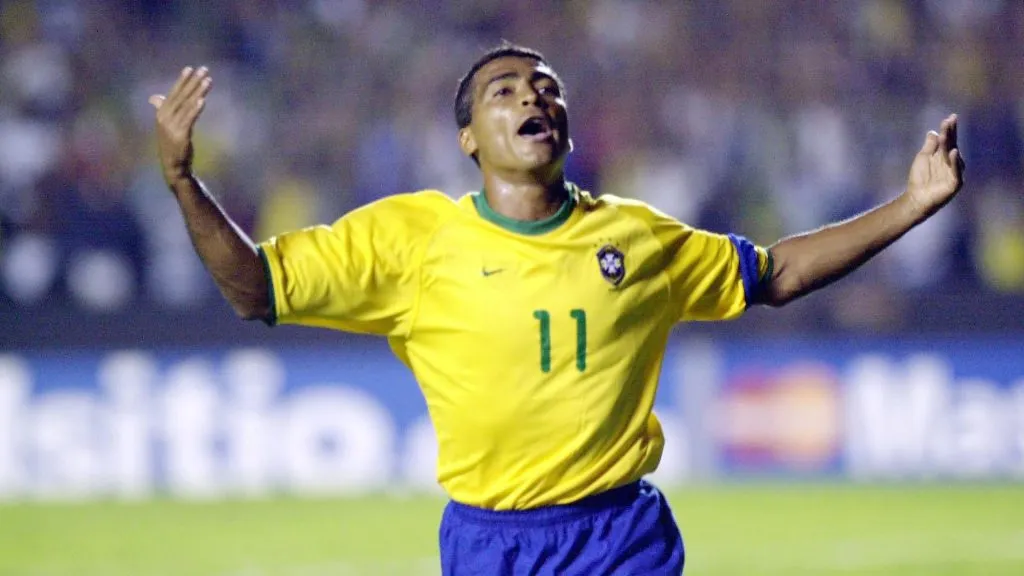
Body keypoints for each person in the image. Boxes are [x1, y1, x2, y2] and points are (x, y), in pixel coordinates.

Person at [149, 43, 965, 576]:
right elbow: (254, 289)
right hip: (490, 542)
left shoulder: (636, 238)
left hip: (621, 535)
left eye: (548, 86)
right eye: (505, 90)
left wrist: (911, 205)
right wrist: (184, 181)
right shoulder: (410, 240)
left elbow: (775, 272)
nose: (534, 95)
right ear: (469, 138)